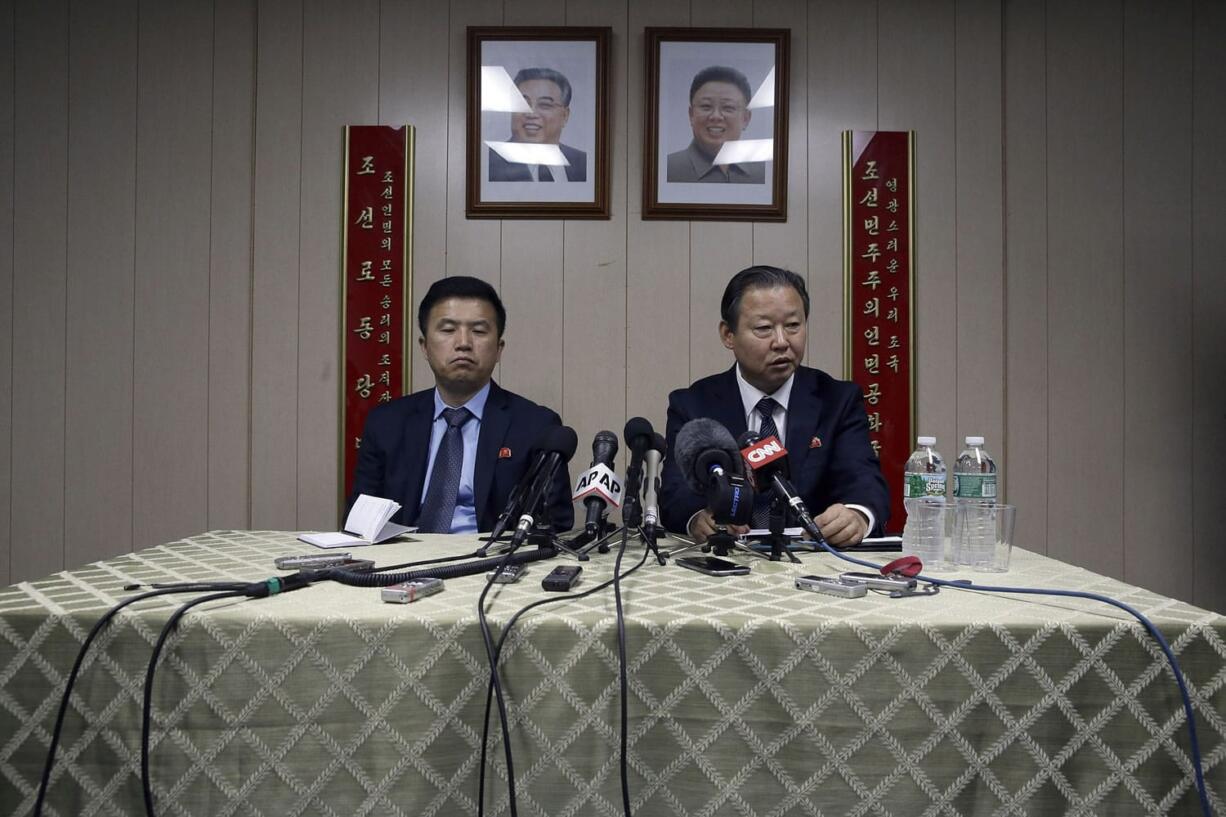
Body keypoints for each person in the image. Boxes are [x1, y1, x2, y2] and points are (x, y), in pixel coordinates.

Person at [659, 265, 889, 547]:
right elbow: (675, 494)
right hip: (727, 563)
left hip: (813, 560)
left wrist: (857, 515)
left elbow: (864, 480)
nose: (781, 342)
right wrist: (697, 518)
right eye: (764, 328)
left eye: (793, 325)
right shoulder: (694, 404)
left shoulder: (837, 399)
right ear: (728, 335)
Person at [349, 276, 573, 534]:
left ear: (499, 348)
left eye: (478, 331)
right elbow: (359, 522)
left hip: (490, 566)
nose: (463, 343)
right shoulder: (386, 423)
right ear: (424, 347)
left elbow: (554, 527)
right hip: (402, 566)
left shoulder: (537, 427)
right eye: (447, 329)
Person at [665, 65, 765, 184]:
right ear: (691, 115)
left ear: (746, 118)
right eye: (706, 106)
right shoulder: (667, 169)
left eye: (728, 107)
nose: (716, 116)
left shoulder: (763, 173)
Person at [489, 67, 587, 183]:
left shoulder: (582, 162)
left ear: (565, 116)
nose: (531, 113)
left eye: (545, 105)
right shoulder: (488, 163)